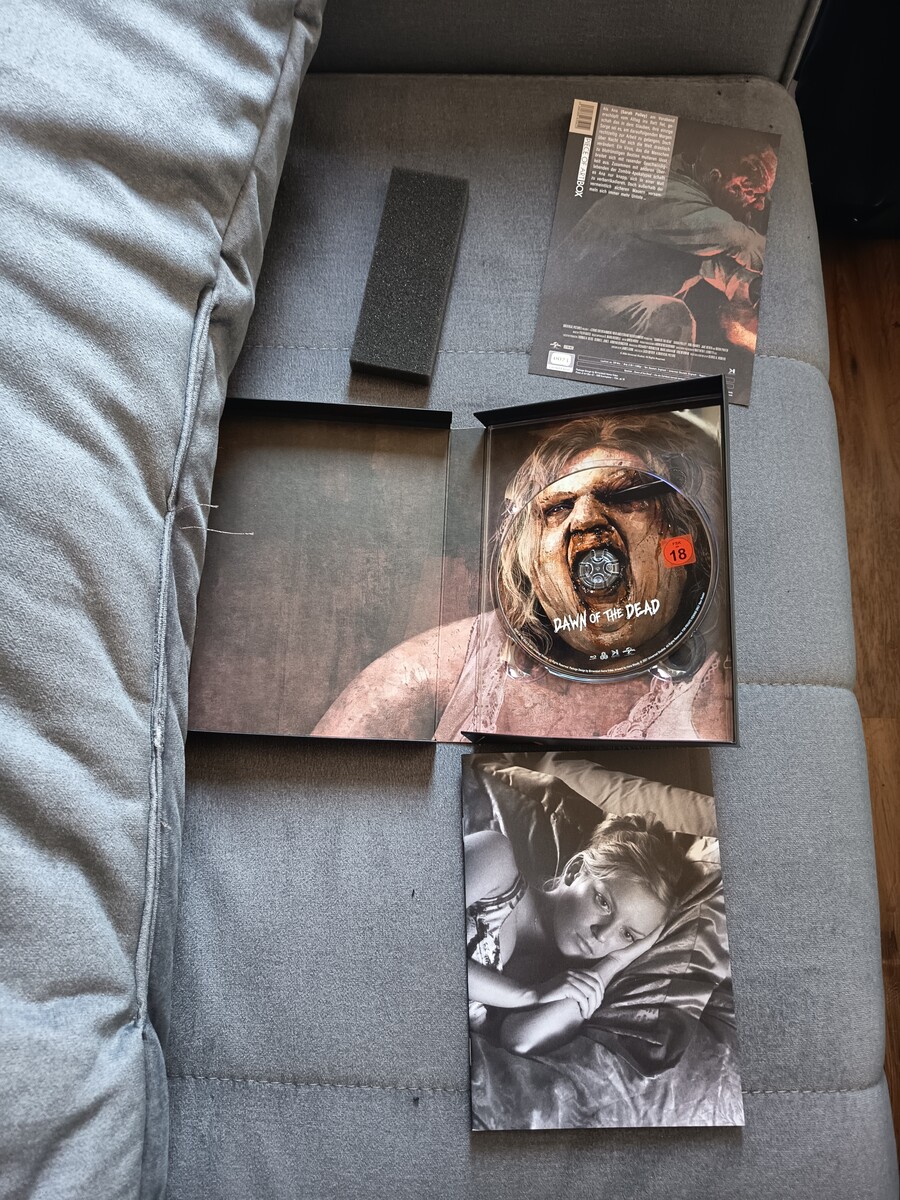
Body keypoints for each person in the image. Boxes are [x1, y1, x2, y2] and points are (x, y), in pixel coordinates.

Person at [312, 409, 732, 743]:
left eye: (623, 496)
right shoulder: (438, 667)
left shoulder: (723, 684)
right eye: (558, 508)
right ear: (527, 557)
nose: (586, 518)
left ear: (682, 532)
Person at [464, 812, 690, 1056]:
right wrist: (527, 995)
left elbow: (520, 1040)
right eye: (603, 903)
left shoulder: (563, 984)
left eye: (627, 934)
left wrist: (614, 963)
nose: (602, 935)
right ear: (574, 871)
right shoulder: (495, 858)